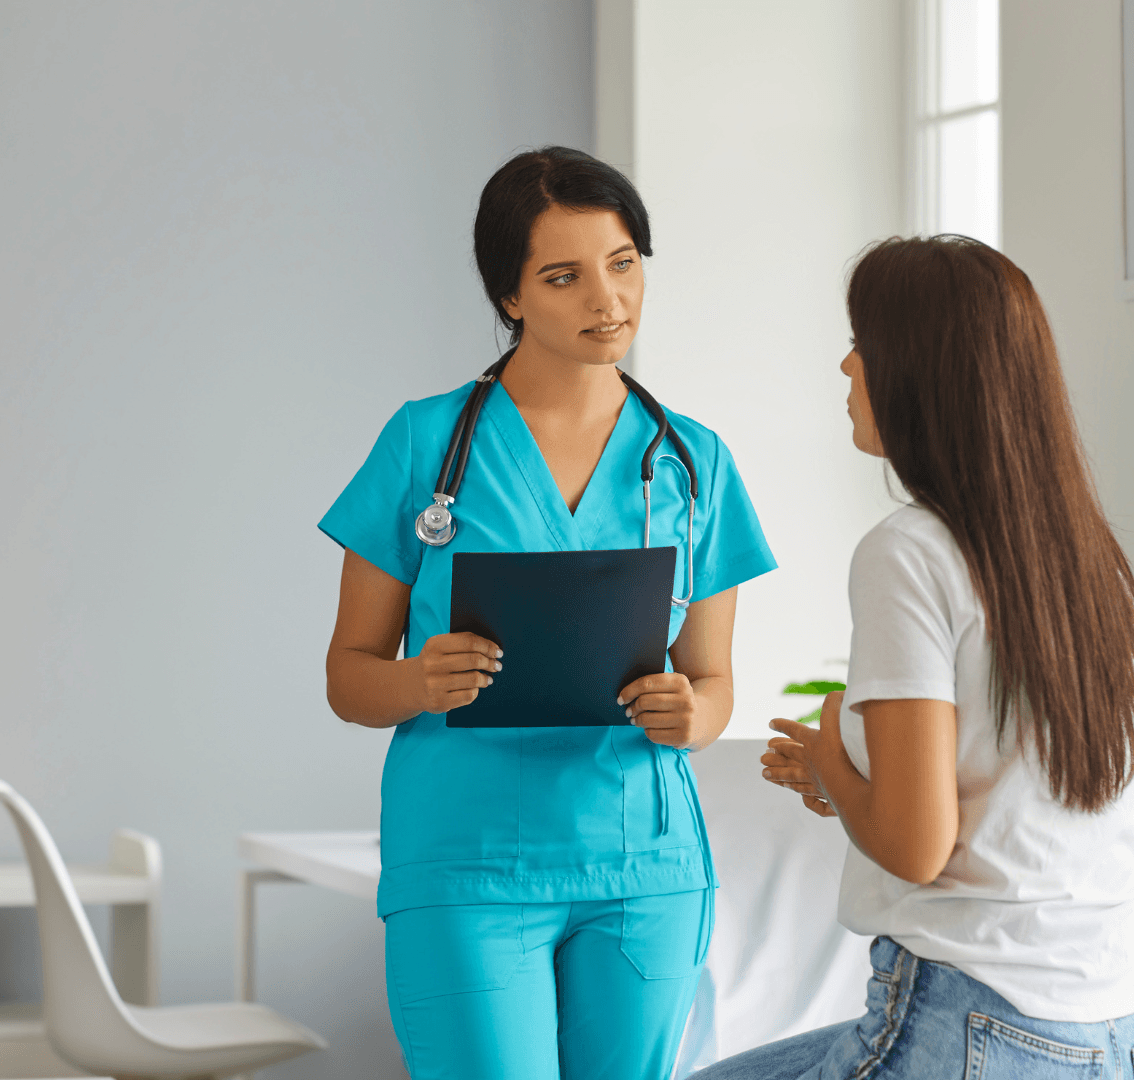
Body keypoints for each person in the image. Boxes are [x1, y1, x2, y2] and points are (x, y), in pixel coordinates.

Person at [319, 146, 776, 1080]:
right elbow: (349, 678)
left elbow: (716, 681)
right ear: (511, 295)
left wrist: (698, 714)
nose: (607, 301)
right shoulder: (423, 444)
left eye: (623, 264)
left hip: (645, 867)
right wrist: (416, 680)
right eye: (563, 277)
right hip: (466, 867)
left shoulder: (696, 461)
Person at [695, 235, 1134, 1080]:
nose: (846, 366)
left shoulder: (908, 552)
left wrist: (829, 765)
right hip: (1121, 1036)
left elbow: (917, 848)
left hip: (977, 1022)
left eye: (863, 343)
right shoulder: (1090, 557)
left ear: (921, 372)